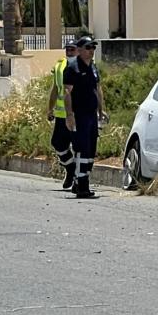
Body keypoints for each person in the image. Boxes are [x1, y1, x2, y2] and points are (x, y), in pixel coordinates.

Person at [62, 36, 108, 198]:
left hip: (92, 115)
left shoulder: (93, 67)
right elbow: (67, 92)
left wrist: (101, 110)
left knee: (91, 150)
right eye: (88, 47)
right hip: (79, 115)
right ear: (80, 50)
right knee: (82, 149)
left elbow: (97, 88)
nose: (91, 51)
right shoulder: (73, 67)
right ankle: (82, 186)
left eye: (93, 47)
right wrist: (69, 116)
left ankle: (78, 180)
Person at [47, 42, 79, 188]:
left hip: (77, 115)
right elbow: (55, 89)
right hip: (61, 115)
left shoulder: (83, 67)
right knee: (57, 143)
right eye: (67, 49)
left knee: (79, 146)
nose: (69, 52)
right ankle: (70, 168)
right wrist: (49, 109)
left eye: (72, 49)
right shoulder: (60, 66)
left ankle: (79, 178)